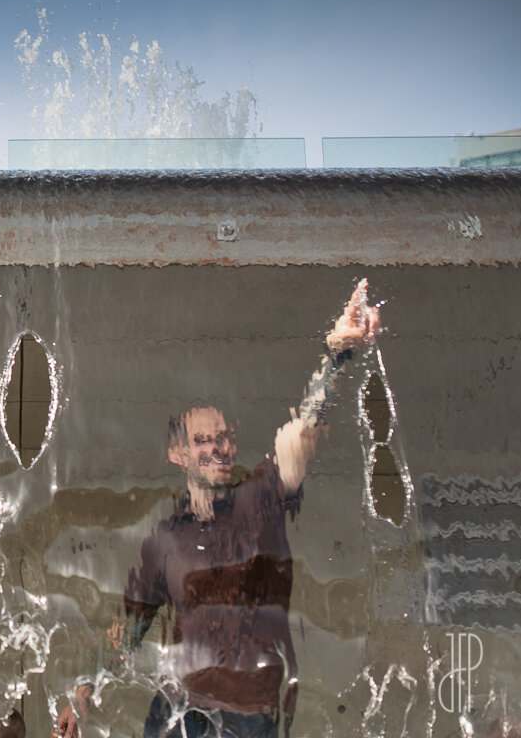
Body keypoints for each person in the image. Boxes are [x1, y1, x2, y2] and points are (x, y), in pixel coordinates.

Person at [56, 280, 381, 738]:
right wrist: (81, 692)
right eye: (203, 441)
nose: (219, 449)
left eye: (225, 438)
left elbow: (298, 439)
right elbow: (128, 628)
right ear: (179, 454)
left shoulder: (258, 501)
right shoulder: (165, 539)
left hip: (246, 717)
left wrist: (336, 356)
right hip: (176, 712)